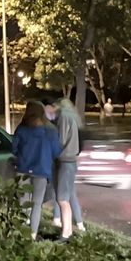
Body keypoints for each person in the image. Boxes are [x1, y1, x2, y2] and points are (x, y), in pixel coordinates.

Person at [12, 101, 62, 240]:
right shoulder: (51, 130)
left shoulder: (22, 129)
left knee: (23, 202)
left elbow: (14, 149)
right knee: (37, 204)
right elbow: (56, 151)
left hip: (23, 170)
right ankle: (33, 234)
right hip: (41, 171)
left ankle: (21, 232)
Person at [46, 96, 86, 241]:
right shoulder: (73, 117)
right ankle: (68, 229)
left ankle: (66, 233)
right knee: (65, 197)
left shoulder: (63, 117)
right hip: (69, 160)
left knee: (63, 199)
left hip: (64, 161)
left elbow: (60, 140)